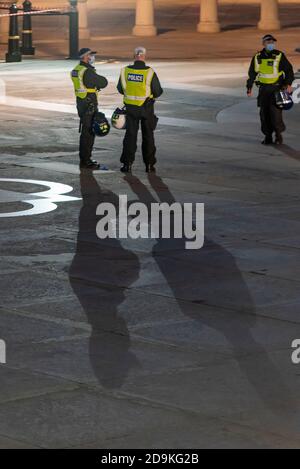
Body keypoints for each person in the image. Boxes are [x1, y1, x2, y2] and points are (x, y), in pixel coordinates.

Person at [117, 46, 163, 173]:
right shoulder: (149, 72)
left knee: (130, 136)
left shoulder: (125, 71)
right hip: (146, 109)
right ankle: (149, 165)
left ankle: (127, 165)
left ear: (134, 56)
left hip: (130, 108)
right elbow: (158, 91)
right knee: (148, 136)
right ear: (144, 56)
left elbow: (120, 89)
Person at [247, 34, 294, 145]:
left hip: (276, 89)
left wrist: (288, 84)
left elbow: (289, 70)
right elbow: (252, 73)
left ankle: (278, 135)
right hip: (263, 91)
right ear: (263, 43)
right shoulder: (257, 57)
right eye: (268, 42)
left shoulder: (279, 55)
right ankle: (268, 136)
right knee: (264, 115)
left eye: (272, 42)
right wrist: (249, 87)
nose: (271, 44)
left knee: (276, 115)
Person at [71, 48, 108, 169]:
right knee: (89, 133)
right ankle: (86, 160)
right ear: (85, 57)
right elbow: (103, 82)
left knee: (85, 132)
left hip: (81, 103)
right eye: (91, 55)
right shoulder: (87, 71)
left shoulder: (76, 70)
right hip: (89, 104)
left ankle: (85, 158)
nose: (92, 57)